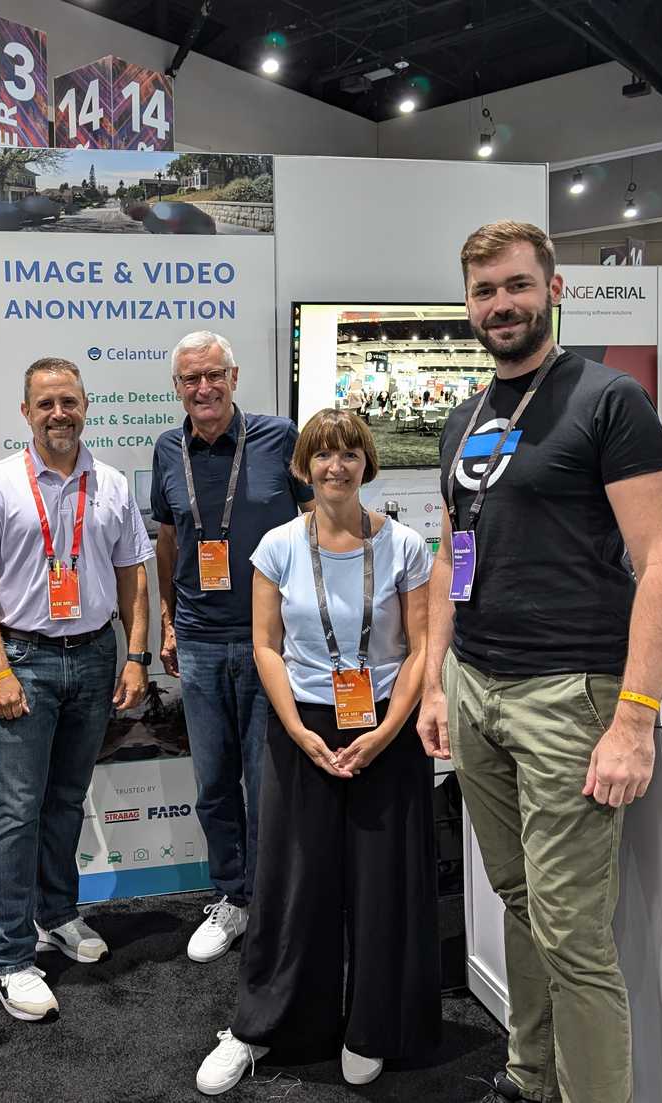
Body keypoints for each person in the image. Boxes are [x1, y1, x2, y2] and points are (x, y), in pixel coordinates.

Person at [417, 221, 662, 1103]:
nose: (501, 305)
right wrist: (435, 680)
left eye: (516, 286)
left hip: (571, 694)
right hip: (477, 685)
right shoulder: (465, 416)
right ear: (468, 304)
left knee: (572, 932)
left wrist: (635, 718)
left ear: (554, 289)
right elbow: (456, 552)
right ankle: (530, 1073)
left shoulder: (608, 401)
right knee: (519, 901)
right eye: (485, 291)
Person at [195, 408, 440, 1095]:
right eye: (323, 456)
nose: (337, 466)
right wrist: (299, 731)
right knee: (291, 883)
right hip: (300, 724)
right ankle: (263, 1026)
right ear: (304, 465)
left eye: (350, 454)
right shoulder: (275, 545)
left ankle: (371, 1027)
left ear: (368, 462)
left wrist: (388, 731)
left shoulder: (403, 548)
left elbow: (422, 648)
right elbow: (266, 645)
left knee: (381, 883)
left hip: (385, 731)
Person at [0, 357, 153, 1021]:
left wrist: (134, 657)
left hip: (95, 658)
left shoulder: (113, 484)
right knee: (15, 810)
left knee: (67, 798)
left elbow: (133, 575)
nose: (59, 413)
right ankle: (8, 956)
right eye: (46, 403)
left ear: (85, 405)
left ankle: (57, 912)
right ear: (26, 412)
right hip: (24, 660)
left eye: (69, 401)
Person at [151, 331, 313, 964]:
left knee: (266, 780)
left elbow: (316, 523)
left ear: (234, 376)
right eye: (190, 379)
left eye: (213, 375)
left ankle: (273, 900)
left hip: (270, 641)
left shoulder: (279, 437)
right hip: (196, 639)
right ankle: (233, 897)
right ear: (178, 388)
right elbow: (167, 543)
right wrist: (166, 621)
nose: (203, 389)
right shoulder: (169, 449)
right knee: (214, 781)